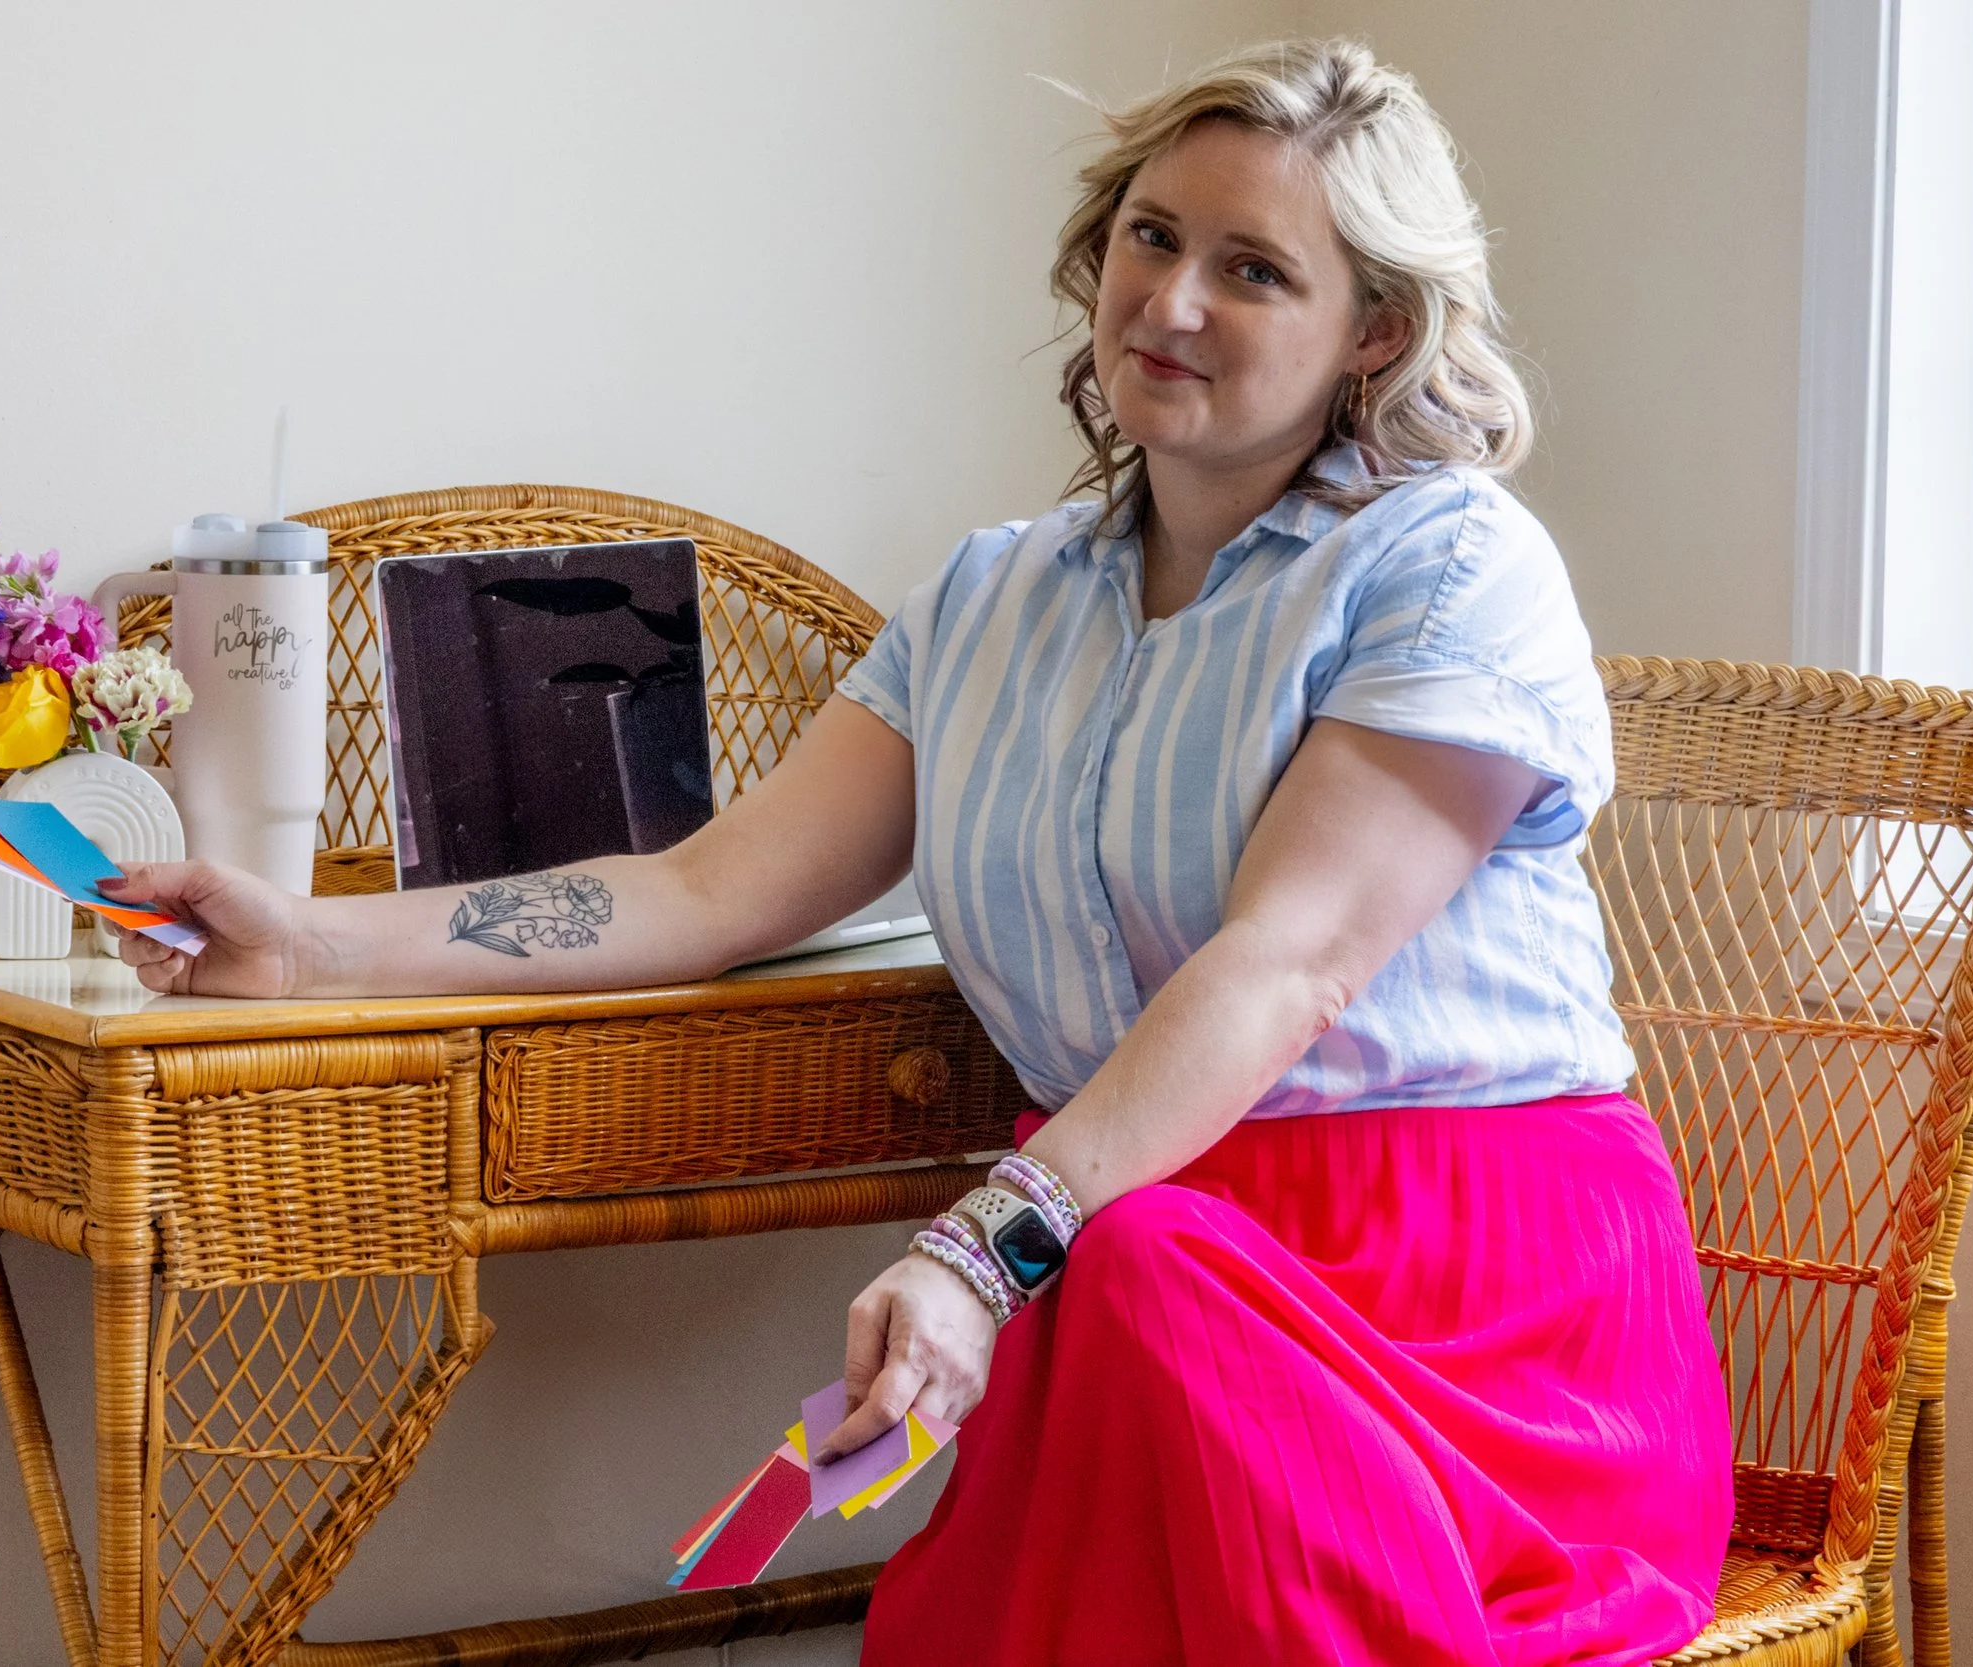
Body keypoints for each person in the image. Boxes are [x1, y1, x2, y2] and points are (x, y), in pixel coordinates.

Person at [102, 38, 1732, 1666]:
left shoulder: (1452, 568)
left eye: (1253, 269)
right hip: (1131, 1261)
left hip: (1456, 1304)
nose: (1169, 301)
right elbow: (711, 889)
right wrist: (310, 945)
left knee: (1141, 1274)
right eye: (1153, 235)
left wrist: (984, 1246)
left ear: (1373, 328)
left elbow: (1286, 962)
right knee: (1126, 1303)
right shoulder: (990, 598)